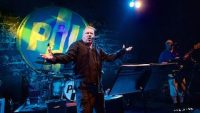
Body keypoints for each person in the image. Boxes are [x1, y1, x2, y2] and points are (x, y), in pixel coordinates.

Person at [41, 26, 133, 113]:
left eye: (91, 33)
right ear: (83, 35)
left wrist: (122, 51)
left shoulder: (97, 49)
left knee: (100, 111)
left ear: (94, 36)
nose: (89, 35)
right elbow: (67, 57)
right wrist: (53, 59)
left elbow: (109, 57)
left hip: (97, 87)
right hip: (83, 87)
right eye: (87, 33)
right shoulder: (76, 45)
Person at [158, 39, 186, 108]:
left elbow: (182, 60)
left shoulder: (176, 52)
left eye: (170, 43)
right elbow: (160, 62)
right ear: (165, 45)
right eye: (167, 43)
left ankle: (182, 104)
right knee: (173, 89)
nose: (169, 44)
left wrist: (182, 63)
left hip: (180, 72)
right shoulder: (163, 53)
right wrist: (163, 63)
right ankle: (175, 104)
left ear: (173, 44)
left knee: (181, 89)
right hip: (170, 73)